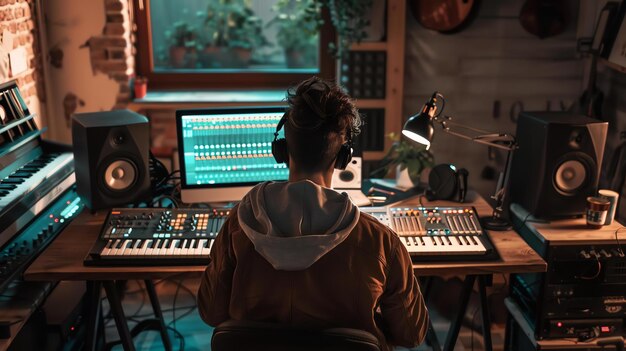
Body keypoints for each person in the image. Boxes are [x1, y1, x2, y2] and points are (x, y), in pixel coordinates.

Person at [197, 76, 429, 350]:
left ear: (282, 151)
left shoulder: (239, 225)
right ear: (344, 158)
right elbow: (411, 334)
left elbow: (211, 312)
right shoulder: (381, 241)